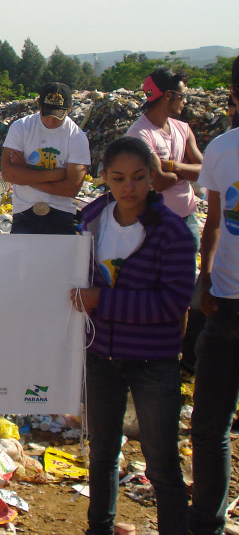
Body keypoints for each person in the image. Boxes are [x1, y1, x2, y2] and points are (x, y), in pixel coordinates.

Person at [71, 136, 195, 535]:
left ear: (153, 177)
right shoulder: (89, 221)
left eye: (139, 177)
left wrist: (101, 301)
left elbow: (172, 304)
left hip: (152, 362)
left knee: (161, 463)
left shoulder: (172, 233)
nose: (129, 187)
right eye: (119, 178)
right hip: (100, 358)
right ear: (104, 177)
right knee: (101, 455)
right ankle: (99, 527)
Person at [189, 56, 239, 535]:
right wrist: (205, 276)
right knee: (208, 426)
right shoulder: (222, 149)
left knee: (210, 428)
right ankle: (207, 523)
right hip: (226, 303)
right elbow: (215, 222)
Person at [126, 67, 204, 372]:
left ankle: (174, 355)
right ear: (168, 95)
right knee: (153, 292)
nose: (185, 100)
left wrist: (172, 166)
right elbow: (157, 182)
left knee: (181, 295)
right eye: (182, 95)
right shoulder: (140, 134)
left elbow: (204, 170)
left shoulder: (182, 129)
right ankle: (148, 354)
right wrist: (182, 170)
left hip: (187, 221)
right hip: (155, 225)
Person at [1, 82, 90, 234]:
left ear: (70, 108)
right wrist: (55, 175)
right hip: (24, 213)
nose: (51, 121)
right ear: (38, 105)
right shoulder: (21, 127)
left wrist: (25, 173)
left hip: (61, 213)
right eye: (47, 114)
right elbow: (8, 174)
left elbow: (71, 189)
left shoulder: (77, 137)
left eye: (58, 116)